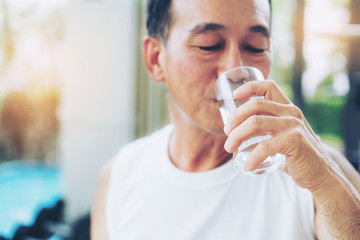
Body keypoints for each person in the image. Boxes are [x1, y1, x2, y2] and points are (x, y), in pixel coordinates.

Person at [91, 0, 360, 239]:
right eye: (209, 45)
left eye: (256, 47)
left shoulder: (319, 172)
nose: (234, 69)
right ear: (155, 59)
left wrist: (325, 182)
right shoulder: (119, 176)